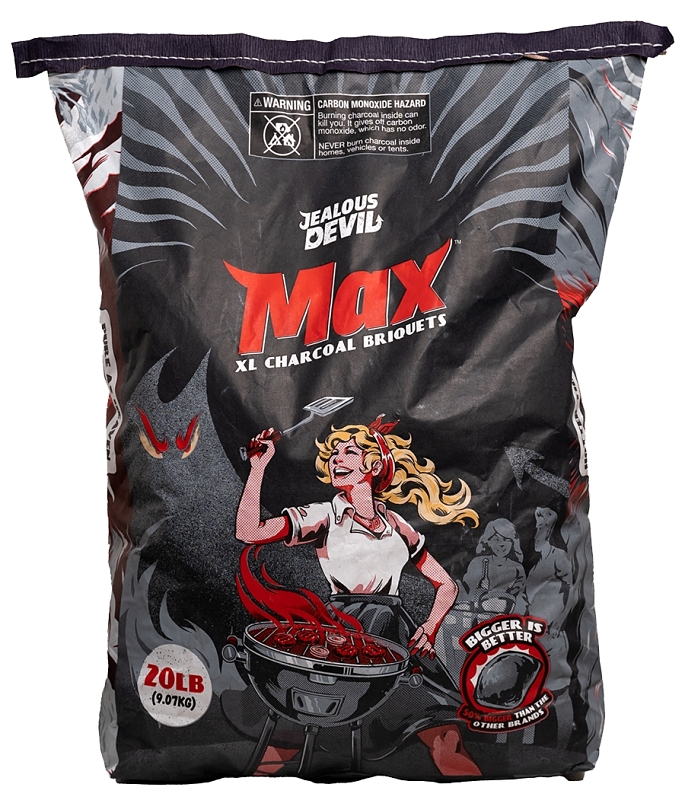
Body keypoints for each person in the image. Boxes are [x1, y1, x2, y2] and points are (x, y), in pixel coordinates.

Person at [234, 416, 481, 776]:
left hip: (395, 632)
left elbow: (446, 585)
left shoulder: (398, 525)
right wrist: (258, 468)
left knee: (443, 732)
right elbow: (249, 531)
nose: (336, 458)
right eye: (333, 453)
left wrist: (429, 628)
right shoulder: (324, 516)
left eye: (348, 451)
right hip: (342, 630)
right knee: (291, 731)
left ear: (374, 466)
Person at [462, 518, 525, 600]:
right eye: (496, 539)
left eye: (507, 539)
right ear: (488, 542)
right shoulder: (477, 563)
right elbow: (468, 589)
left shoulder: (518, 568)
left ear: (513, 542)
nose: (501, 544)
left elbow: (520, 593)